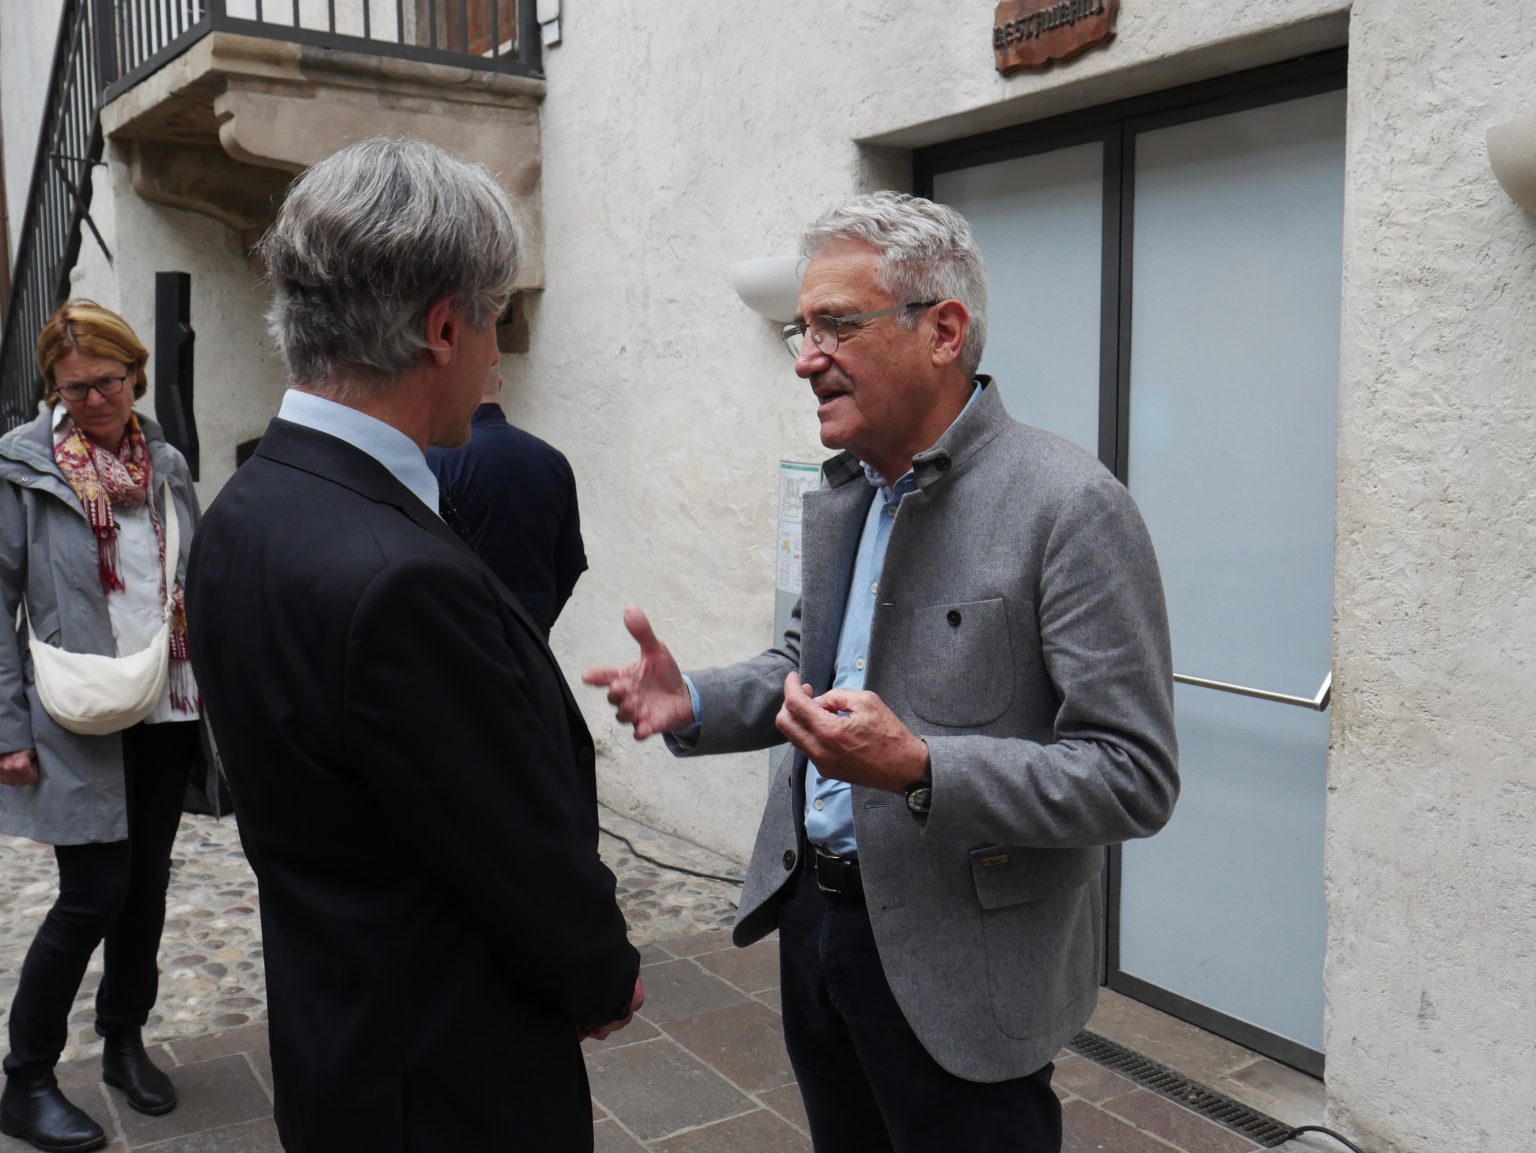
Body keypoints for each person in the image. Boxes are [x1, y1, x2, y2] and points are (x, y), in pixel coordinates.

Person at [585, 192, 1179, 1153]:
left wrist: (921, 768)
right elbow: (804, 669)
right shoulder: (847, 494)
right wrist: (692, 699)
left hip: (964, 967)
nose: (805, 357)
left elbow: (1132, 775)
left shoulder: (1071, 506)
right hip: (817, 928)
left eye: (837, 325)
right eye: (803, 328)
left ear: (943, 331)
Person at [185, 138, 641, 1153]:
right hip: (445, 1085)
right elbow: (509, 843)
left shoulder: (243, 506)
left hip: (335, 1041)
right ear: (442, 328)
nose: (496, 354)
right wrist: (603, 974)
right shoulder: (399, 577)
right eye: (495, 319)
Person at [0, 300, 211, 1152]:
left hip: (163, 702)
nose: (91, 400)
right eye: (73, 387)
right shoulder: (24, 469)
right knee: (93, 893)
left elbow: (192, 574)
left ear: (135, 375)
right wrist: (7, 726)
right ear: (53, 388)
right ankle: (26, 1078)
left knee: (146, 885)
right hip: (74, 709)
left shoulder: (167, 463)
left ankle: (124, 1039)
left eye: (107, 383)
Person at [426, 366, 588, 637]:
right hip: (531, 638)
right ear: (500, 384)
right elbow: (570, 562)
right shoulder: (553, 461)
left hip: (459, 638)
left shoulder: (433, 461)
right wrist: (535, 623)